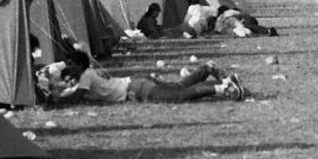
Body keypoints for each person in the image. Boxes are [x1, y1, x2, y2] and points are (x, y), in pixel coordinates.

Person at [43, 50, 245, 104]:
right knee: (176, 88)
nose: (67, 68)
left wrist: (57, 96)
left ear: (79, 65)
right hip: (137, 82)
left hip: (136, 88)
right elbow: (74, 92)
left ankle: (222, 88)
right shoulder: (86, 75)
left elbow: (76, 97)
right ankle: (206, 70)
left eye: (70, 64)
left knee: (178, 96)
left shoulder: (86, 76)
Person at [214, 5, 278, 37]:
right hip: (247, 19)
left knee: (250, 27)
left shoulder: (228, 13)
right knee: (251, 29)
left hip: (246, 20)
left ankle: (267, 30)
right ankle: (266, 31)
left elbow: (244, 15)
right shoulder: (227, 16)